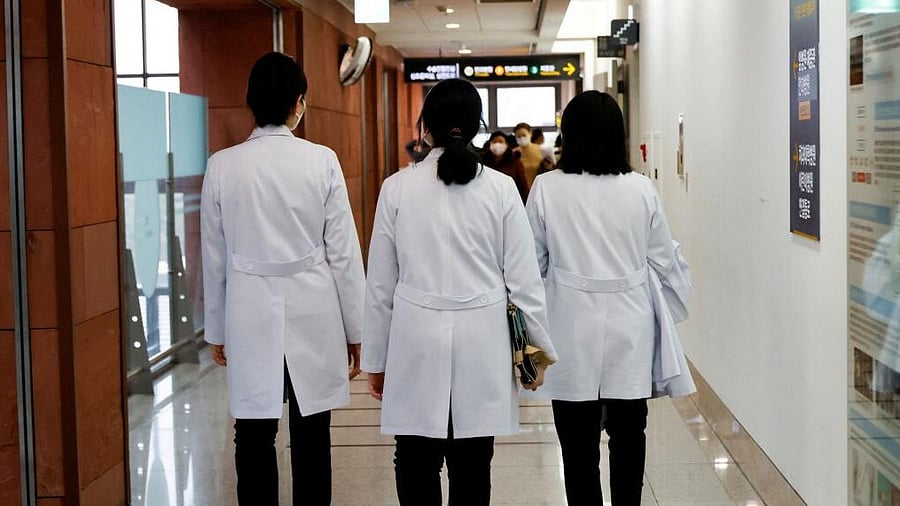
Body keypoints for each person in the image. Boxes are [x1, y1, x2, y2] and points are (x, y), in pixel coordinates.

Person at [362, 78, 557, 506]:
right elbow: (525, 283)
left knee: (414, 459)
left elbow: (380, 284)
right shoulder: (501, 189)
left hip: (415, 339)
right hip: (482, 340)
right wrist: (534, 356)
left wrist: (376, 359)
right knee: (473, 462)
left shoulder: (397, 188)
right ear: (476, 127)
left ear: (425, 126)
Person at [201, 51, 366, 506]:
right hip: (314, 308)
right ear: (299, 102)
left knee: (252, 432)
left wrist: (216, 328)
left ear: (251, 101)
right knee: (312, 430)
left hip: (249, 308)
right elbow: (344, 254)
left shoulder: (223, 164)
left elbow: (214, 257)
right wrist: (357, 329)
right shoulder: (322, 160)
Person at [525, 91, 676, 505]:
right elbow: (664, 259)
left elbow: (530, 266)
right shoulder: (641, 188)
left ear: (567, 134)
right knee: (630, 435)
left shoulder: (546, 188)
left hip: (568, 325)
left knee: (577, 446)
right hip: (630, 325)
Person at [481, 130, 528, 202]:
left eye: (500, 141)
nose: (497, 144)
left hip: (510, 199)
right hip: (489, 200)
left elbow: (523, 186)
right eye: (494, 142)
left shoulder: (515, 162)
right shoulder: (484, 162)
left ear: (506, 144)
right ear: (490, 144)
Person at [512, 122, 545, 191]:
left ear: (530, 134)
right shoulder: (513, 153)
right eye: (518, 136)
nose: (521, 138)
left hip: (539, 189)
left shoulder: (541, 150)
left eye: (524, 135)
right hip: (521, 192)